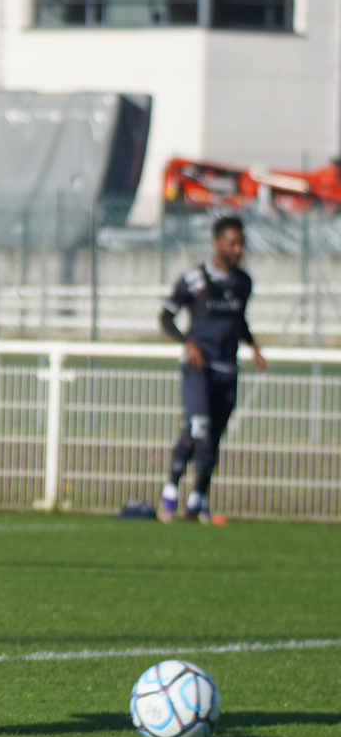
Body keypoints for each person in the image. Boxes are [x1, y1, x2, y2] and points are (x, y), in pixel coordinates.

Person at [158, 215, 266, 522]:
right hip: (199, 368)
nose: (237, 249)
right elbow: (165, 317)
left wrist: (253, 346)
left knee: (214, 436)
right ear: (217, 242)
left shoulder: (243, 282)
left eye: (241, 243)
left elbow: (238, 321)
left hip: (227, 369)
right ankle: (170, 491)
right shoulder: (194, 279)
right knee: (197, 426)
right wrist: (187, 343)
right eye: (232, 242)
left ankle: (197, 501)